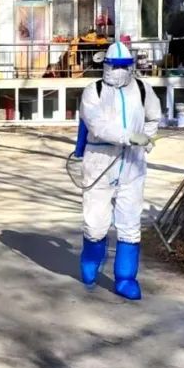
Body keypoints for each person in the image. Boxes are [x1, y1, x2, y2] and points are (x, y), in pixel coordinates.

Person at [72, 40, 162, 300]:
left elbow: (153, 117)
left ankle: (125, 278)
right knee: (95, 224)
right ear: (106, 65)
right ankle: (91, 261)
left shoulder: (142, 90)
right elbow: (97, 125)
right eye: (116, 66)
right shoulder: (94, 92)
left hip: (132, 166)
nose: (120, 71)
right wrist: (129, 136)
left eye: (125, 66)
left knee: (130, 224)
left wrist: (146, 138)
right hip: (99, 163)